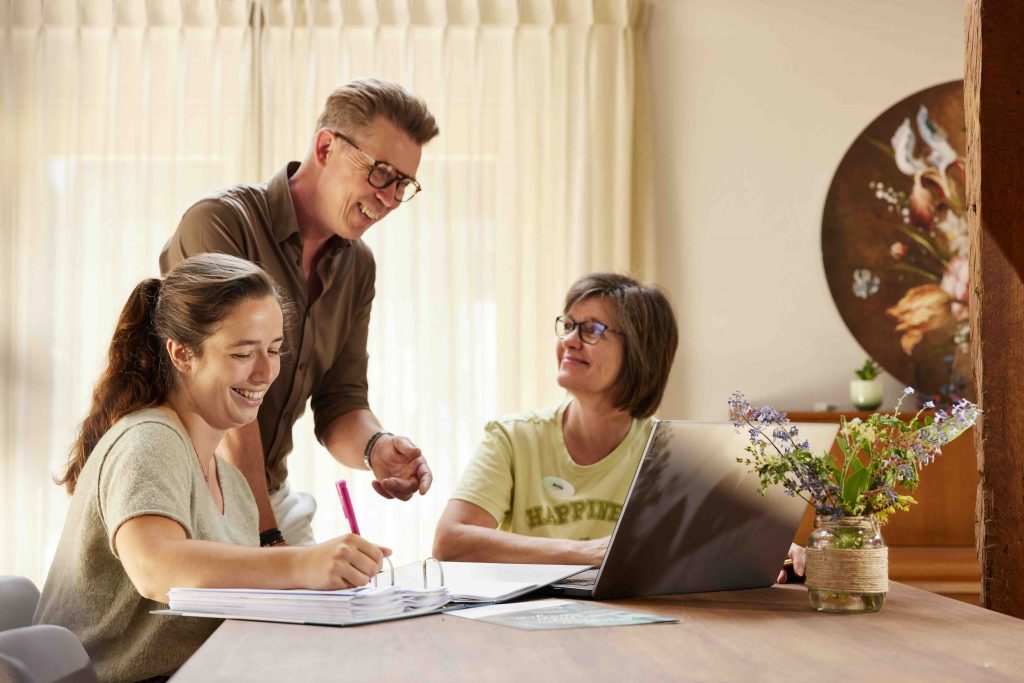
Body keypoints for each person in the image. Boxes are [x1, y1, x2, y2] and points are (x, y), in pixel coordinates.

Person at [34, 254, 390, 682]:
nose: (265, 372)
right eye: (243, 353)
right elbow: (156, 568)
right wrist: (302, 564)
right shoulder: (149, 438)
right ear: (182, 354)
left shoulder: (233, 486)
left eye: (274, 350)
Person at [160, 78, 439, 547]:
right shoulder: (222, 224)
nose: (390, 198)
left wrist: (377, 448)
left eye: (404, 184)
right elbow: (222, 390)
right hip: (188, 493)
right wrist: (267, 537)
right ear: (327, 146)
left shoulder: (358, 266)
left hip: (266, 491)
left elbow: (341, 402)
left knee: (353, 605)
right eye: (381, 173)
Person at [432, 272, 806, 582]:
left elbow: (723, 540)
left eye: (592, 329)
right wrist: (590, 553)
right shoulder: (512, 437)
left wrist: (771, 549)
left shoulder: (674, 450)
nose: (569, 341)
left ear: (640, 352)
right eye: (568, 325)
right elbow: (450, 541)